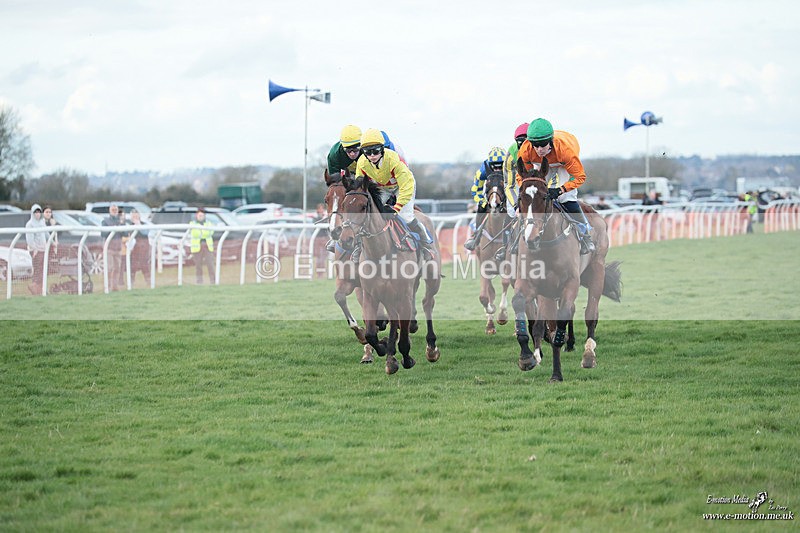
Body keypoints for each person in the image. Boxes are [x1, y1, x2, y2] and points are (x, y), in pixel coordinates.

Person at [516, 118, 596, 255]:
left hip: (562, 163)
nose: (539, 149)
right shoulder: (526, 150)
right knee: (533, 196)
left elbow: (580, 177)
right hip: (541, 164)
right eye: (536, 145)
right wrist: (527, 190)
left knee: (565, 198)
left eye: (542, 145)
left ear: (550, 141)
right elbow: (522, 176)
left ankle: (585, 234)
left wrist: (560, 190)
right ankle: (517, 238)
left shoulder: (565, 150)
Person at [354, 128, 434, 260]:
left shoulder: (393, 159)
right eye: (368, 152)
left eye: (375, 151)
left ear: (382, 149)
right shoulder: (362, 162)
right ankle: (358, 246)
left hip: (402, 186)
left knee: (406, 216)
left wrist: (396, 208)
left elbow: (405, 187)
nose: (372, 155)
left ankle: (426, 244)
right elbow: (361, 187)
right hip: (383, 188)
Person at [464, 147, 507, 251]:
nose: (497, 169)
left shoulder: (510, 167)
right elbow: (475, 190)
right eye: (495, 167)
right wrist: (482, 202)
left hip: (507, 192)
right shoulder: (482, 171)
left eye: (500, 166)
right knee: (481, 208)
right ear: (490, 165)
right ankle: (476, 236)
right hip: (489, 193)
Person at [102, 203, 125, 290]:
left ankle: (114, 287)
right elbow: (102, 233)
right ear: (110, 211)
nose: (115, 211)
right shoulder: (105, 221)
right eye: (113, 210)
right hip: (109, 249)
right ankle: (107, 286)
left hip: (118, 248)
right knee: (109, 268)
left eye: (116, 210)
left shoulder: (120, 221)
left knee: (117, 268)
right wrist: (113, 228)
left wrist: (122, 223)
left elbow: (125, 233)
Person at [25, 204, 47, 295]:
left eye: (39, 212)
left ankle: (40, 288)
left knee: (42, 270)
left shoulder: (42, 222)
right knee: (38, 269)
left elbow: (46, 233)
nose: (37, 214)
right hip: (35, 251)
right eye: (36, 212)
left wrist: (53, 241)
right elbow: (29, 239)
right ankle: (34, 287)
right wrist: (34, 249)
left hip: (43, 250)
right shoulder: (29, 224)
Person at [190, 208, 216, 284]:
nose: (201, 217)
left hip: (208, 247)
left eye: (202, 215)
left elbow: (210, 233)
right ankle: (199, 282)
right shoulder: (192, 224)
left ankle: (213, 281)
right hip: (197, 248)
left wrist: (202, 234)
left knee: (210, 265)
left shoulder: (209, 224)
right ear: (196, 216)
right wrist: (204, 233)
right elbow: (195, 233)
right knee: (198, 266)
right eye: (199, 215)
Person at [127, 209, 151, 285]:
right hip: (133, 249)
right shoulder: (129, 226)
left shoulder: (144, 225)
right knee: (133, 265)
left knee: (144, 265)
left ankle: (149, 282)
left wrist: (138, 225)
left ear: (139, 216)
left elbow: (145, 232)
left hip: (144, 248)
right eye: (133, 216)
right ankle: (131, 282)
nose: (135, 217)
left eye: (136, 215)